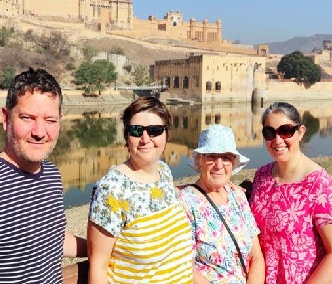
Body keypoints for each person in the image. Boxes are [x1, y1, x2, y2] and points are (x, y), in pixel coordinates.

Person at [0, 68, 86, 283]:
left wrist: (102, 247)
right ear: (6, 118)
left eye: (50, 120)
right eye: (27, 118)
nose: (39, 132)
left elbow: (52, 240)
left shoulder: (51, 175)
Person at [87, 96, 193, 283]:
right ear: (127, 137)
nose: (145, 139)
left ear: (166, 135)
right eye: (136, 131)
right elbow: (98, 266)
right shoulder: (111, 189)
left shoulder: (164, 172)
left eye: (155, 131)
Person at [250, 101, 332, 284]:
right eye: (270, 132)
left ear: (301, 132)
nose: (277, 140)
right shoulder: (262, 176)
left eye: (286, 131)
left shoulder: (317, 184)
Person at [177, 124, 265, 284]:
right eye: (211, 156)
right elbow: (186, 268)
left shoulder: (238, 196)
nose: (219, 165)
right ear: (200, 160)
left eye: (226, 158)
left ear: (233, 163)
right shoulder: (186, 202)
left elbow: (256, 256)